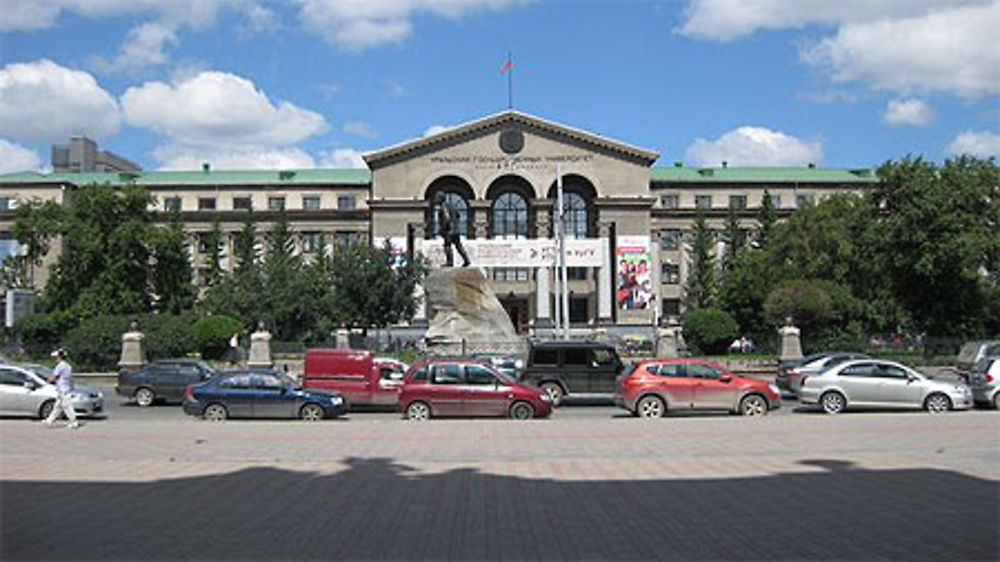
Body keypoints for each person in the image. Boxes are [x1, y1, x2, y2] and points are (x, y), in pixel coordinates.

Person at [44, 348, 79, 429]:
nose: (55, 359)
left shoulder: (60, 366)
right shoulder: (67, 366)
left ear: (59, 357)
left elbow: (53, 376)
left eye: (56, 357)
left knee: (67, 406)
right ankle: (49, 420)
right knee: (58, 406)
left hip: (63, 390)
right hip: (64, 389)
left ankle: (74, 422)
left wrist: (47, 382)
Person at [434, 193, 470, 267]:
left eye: (437, 197)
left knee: (447, 246)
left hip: (448, 231)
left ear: (441, 198)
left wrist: (442, 229)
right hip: (455, 230)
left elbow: (447, 219)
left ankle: (450, 262)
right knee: (459, 246)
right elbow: (458, 215)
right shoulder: (451, 206)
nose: (435, 199)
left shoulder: (443, 207)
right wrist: (455, 225)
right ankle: (466, 260)